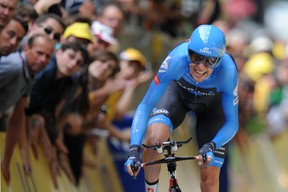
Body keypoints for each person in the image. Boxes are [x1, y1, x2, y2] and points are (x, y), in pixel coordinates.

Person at [124, 24, 239, 192]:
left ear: (220, 60)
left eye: (210, 61)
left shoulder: (228, 71)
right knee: (155, 138)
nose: (200, 66)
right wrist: (133, 150)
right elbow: (145, 105)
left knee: (210, 181)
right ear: (188, 51)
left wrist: (212, 146)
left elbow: (232, 123)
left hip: (212, 107)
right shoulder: (177, 58)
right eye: (196, 57)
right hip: (178, 93)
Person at [0, 34, 55, 184]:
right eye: (39, 53)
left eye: (48, 56)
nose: (43, 59)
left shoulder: (31, 73)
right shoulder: (14, 66)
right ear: (26, 49)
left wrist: (6, 162)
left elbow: (17, 118)